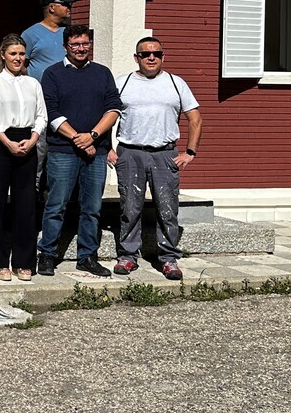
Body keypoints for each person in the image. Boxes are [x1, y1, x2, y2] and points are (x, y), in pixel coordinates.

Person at [109, 37, 203, 281]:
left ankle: (168, 258)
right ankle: (127, 256)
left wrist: (190, 152)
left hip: (165, 154)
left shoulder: (175, 83)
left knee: (167, 208)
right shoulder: (123, 83)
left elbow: (195, 118)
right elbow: (106, 115)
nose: (151, 58)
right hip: (130, 153)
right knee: (130, 207)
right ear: (136, 58)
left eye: (156, 54)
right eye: (145, 54)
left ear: (163, 56)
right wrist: (107, 148)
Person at [37, 25, 122, 277]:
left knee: (92, 207)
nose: (81, 49)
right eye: (75, 44)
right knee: (56, 205)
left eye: (85, 44)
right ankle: (47, 255)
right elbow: (51, 112)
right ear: (65, 46)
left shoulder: (102, 73)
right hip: (63, 150)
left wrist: (93, 136)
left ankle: (87, 256)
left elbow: (114, 108)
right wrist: (78, 138)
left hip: (96, 150)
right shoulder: (52, 74)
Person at [0, 34, 47, 282]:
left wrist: (32, 139)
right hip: (0, 144)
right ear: (3, 56)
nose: (18, 58)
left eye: (21, 54)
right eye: (13, 54)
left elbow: (41, 115)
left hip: (27, 143)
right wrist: (7, 142)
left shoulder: (33, 84)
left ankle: (23, 261)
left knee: (26, 205)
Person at [22, 0, 76, 190]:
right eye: (65, 4)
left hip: (67, 102)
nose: (70, 7)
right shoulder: (31, 34)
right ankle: (35, 189)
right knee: (40, 146)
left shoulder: (68, 33)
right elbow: (21, 65)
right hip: (41, 102)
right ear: (52, 8)